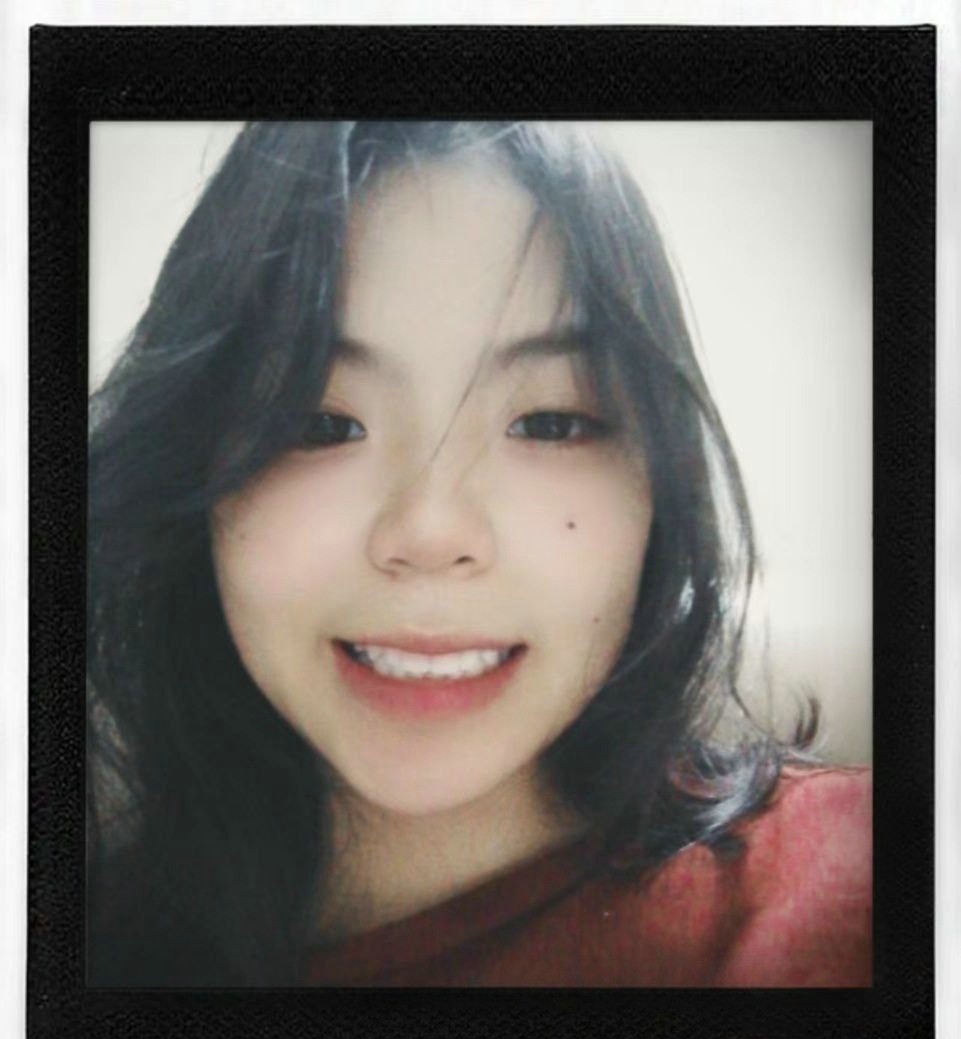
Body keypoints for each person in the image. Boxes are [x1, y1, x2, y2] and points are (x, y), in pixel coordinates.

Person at [86, 121, 871, 988]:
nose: (430, 534)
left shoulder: (840, 892)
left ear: (658, 487)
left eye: (550, 423)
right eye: (320, 424)